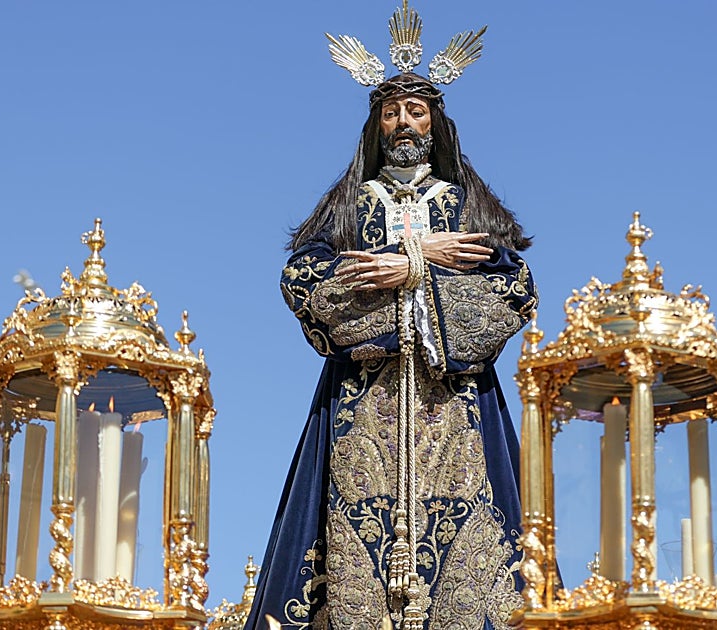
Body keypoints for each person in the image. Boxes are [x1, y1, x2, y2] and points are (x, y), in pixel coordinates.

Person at [245, 4, 535, 629]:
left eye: (416, 110)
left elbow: (513, 288)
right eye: (391, 111)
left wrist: (413, 267)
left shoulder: (464, 207)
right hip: (361, 408)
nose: (404, 122)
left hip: (455, 408)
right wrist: (415, 261)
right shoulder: (351, 205)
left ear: (435, 121)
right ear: (376, 125)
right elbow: (306, 282)